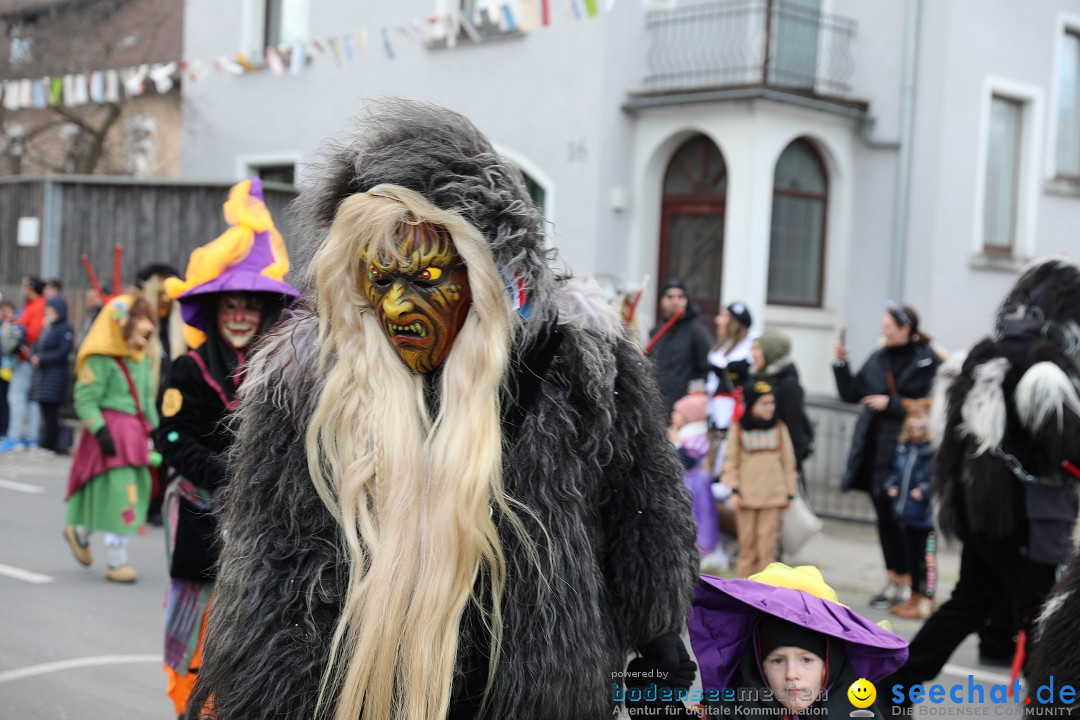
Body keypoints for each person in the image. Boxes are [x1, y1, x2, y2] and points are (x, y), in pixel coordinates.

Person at [186, 101, 698, 720]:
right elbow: (267, 565)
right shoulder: (303, 383)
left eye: (429, 276)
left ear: (486, 272)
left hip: (532, 687)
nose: (400, 306)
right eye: (381, 278)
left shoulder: (578, 365)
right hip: (356, 689)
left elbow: (639, 511)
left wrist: (660, 637)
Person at [885, 257, 1080, 709]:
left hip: (978, 511)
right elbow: (1066, 447)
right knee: (1040, 614)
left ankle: (891, 693)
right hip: (1024, 520)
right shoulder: (1043, 367)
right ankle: (1050, 705)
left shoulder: (980, 356)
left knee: (968, 604)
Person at [156, 178, 300, 719]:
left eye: (250, 307)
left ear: (265, 314)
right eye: (229, 307)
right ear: (215, 313)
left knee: (254, 629)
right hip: (199, 512)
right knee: (195, 623)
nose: (239, 315)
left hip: (263, 523)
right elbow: (172, 438)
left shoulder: (282, 375)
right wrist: (229, 478)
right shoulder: (188, 369)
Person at [625, 563, 908, 718]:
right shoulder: (730, 712)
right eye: (777, 660)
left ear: (829, 666)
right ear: (758, 665)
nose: (791, 675)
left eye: (807, 660)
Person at [833, 302, 940, 609]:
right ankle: (893, 580)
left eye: (887, 326)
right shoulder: (879, 358)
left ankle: (912, 586)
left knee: (904, 523)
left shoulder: (926, 361)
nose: (882, 331)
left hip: (908, 456)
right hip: (874, 452)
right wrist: (841, 364)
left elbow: (930, 403)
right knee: (884, 521)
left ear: (905, 328)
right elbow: (851, 393)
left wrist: (891, 404)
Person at [62, 294, 159, 583]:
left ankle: (80, 530)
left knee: (133, 492)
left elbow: (145, 399)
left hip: (134, 438)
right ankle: (117, 560)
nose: (147, 326)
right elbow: (85, 398)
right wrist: (100, 431)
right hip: (110, 437)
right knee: (120, 496)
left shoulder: (140, 357)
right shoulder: (100, 358)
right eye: (138, 318)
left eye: (147, 317)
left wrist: (156, 430)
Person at [725, 379, 798, 578]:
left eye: (772, 403)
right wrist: (733, 490)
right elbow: (731, 461)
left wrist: (789, 493)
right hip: (746, 496)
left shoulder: (779, 427)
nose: (770, 408)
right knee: (747, 547)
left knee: (767, 549)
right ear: (751, 404)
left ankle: (765, 593)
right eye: (764, 403)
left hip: (773, 496)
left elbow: (788, 461)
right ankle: (742, 590)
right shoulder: (739, 427)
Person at [136, 262, 186, 527]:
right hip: (144, 404)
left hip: (170, 405)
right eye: (160, 294)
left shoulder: (179, 329)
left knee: (166, 457)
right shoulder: (141, 327)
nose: (165, 300)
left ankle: (157, 504)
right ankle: (141, 504)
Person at [884, 399, 936, 620]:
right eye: (912, 422)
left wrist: (924, 491)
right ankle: (914, 595)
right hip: (907, 514)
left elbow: (938, 478)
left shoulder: (931, 450)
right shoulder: (904, 446)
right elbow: (896, 472)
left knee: (928, 562)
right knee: (912, 559)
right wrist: (890, 485)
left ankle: (928, 599)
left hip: (926, 519)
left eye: (921, 422)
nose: (916, 428)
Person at [669, 390, 724, 570]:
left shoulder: (696, 436)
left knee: (699, 518)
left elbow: (686, 459)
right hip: (685, 484)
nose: (673, 416)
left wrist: (675, 443)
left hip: (695, 486)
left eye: (678, 413)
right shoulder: (683, 433)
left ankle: (701, 551)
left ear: (688, 416)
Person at [749, 331, 813, 473]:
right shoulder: (760, 378)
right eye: (752, 348)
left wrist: (795, 465)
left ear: (770, 351)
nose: (752, 354)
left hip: (779, 462)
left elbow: (794, 425)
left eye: (757, 349)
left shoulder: (788, 384)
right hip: (759, 456)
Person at [647, 278, 712, 412]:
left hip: (684, 409)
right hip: (658, 405)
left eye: (680, 297)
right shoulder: (656, 332)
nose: (675, 301)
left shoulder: (697, 332)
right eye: (670, 296)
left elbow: (707, 368)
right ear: (661, 301)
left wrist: (694, 393)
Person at [0, 276, 46, 452]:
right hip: (25, 357)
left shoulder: (38, 305)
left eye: (24, 284)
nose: (22, 287)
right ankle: (30, 436)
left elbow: (34, 332)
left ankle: (15, 437)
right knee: (29, 398)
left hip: (26, 356)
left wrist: (17, 330)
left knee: (16, 396)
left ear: (31, 287)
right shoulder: (31, 304)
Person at [30, 296, 74, 454]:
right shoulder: (48, 327)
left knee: (52, 412)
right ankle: (45, 443)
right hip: (44, 375)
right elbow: (37, 346)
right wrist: (34, 356)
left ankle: (50, 446)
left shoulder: (65, 328)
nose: (48, 312)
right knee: (44, 408)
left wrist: (42, 359)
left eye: (51, 309)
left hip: (56, 375)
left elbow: (63, 351)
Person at [706, 301, 754, 435]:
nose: (717, 320)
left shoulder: (751, 348)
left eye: (723, 316)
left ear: (735, 323)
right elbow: (712, 382)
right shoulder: (719, 348)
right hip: (716, 413)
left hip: (738, 416)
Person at [0, 298, 17, 439]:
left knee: (4, 400)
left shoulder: (13, 327)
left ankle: (4, 431)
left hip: (6, 369)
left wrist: (5, 331)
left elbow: (7, 348)